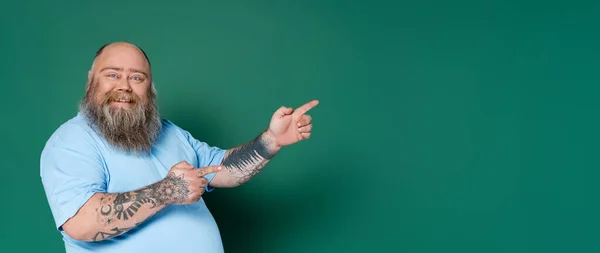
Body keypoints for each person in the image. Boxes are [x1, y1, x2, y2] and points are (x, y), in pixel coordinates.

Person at [39, 41, 318, 253]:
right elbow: (80, 223)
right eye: (112, 75)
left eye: (137, 78)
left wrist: (271, 140)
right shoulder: (71, 140)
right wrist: (167, 190)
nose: (124, 86)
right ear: (91, 80)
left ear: (149, 87)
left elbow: (222, 170)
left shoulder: (169, 133)